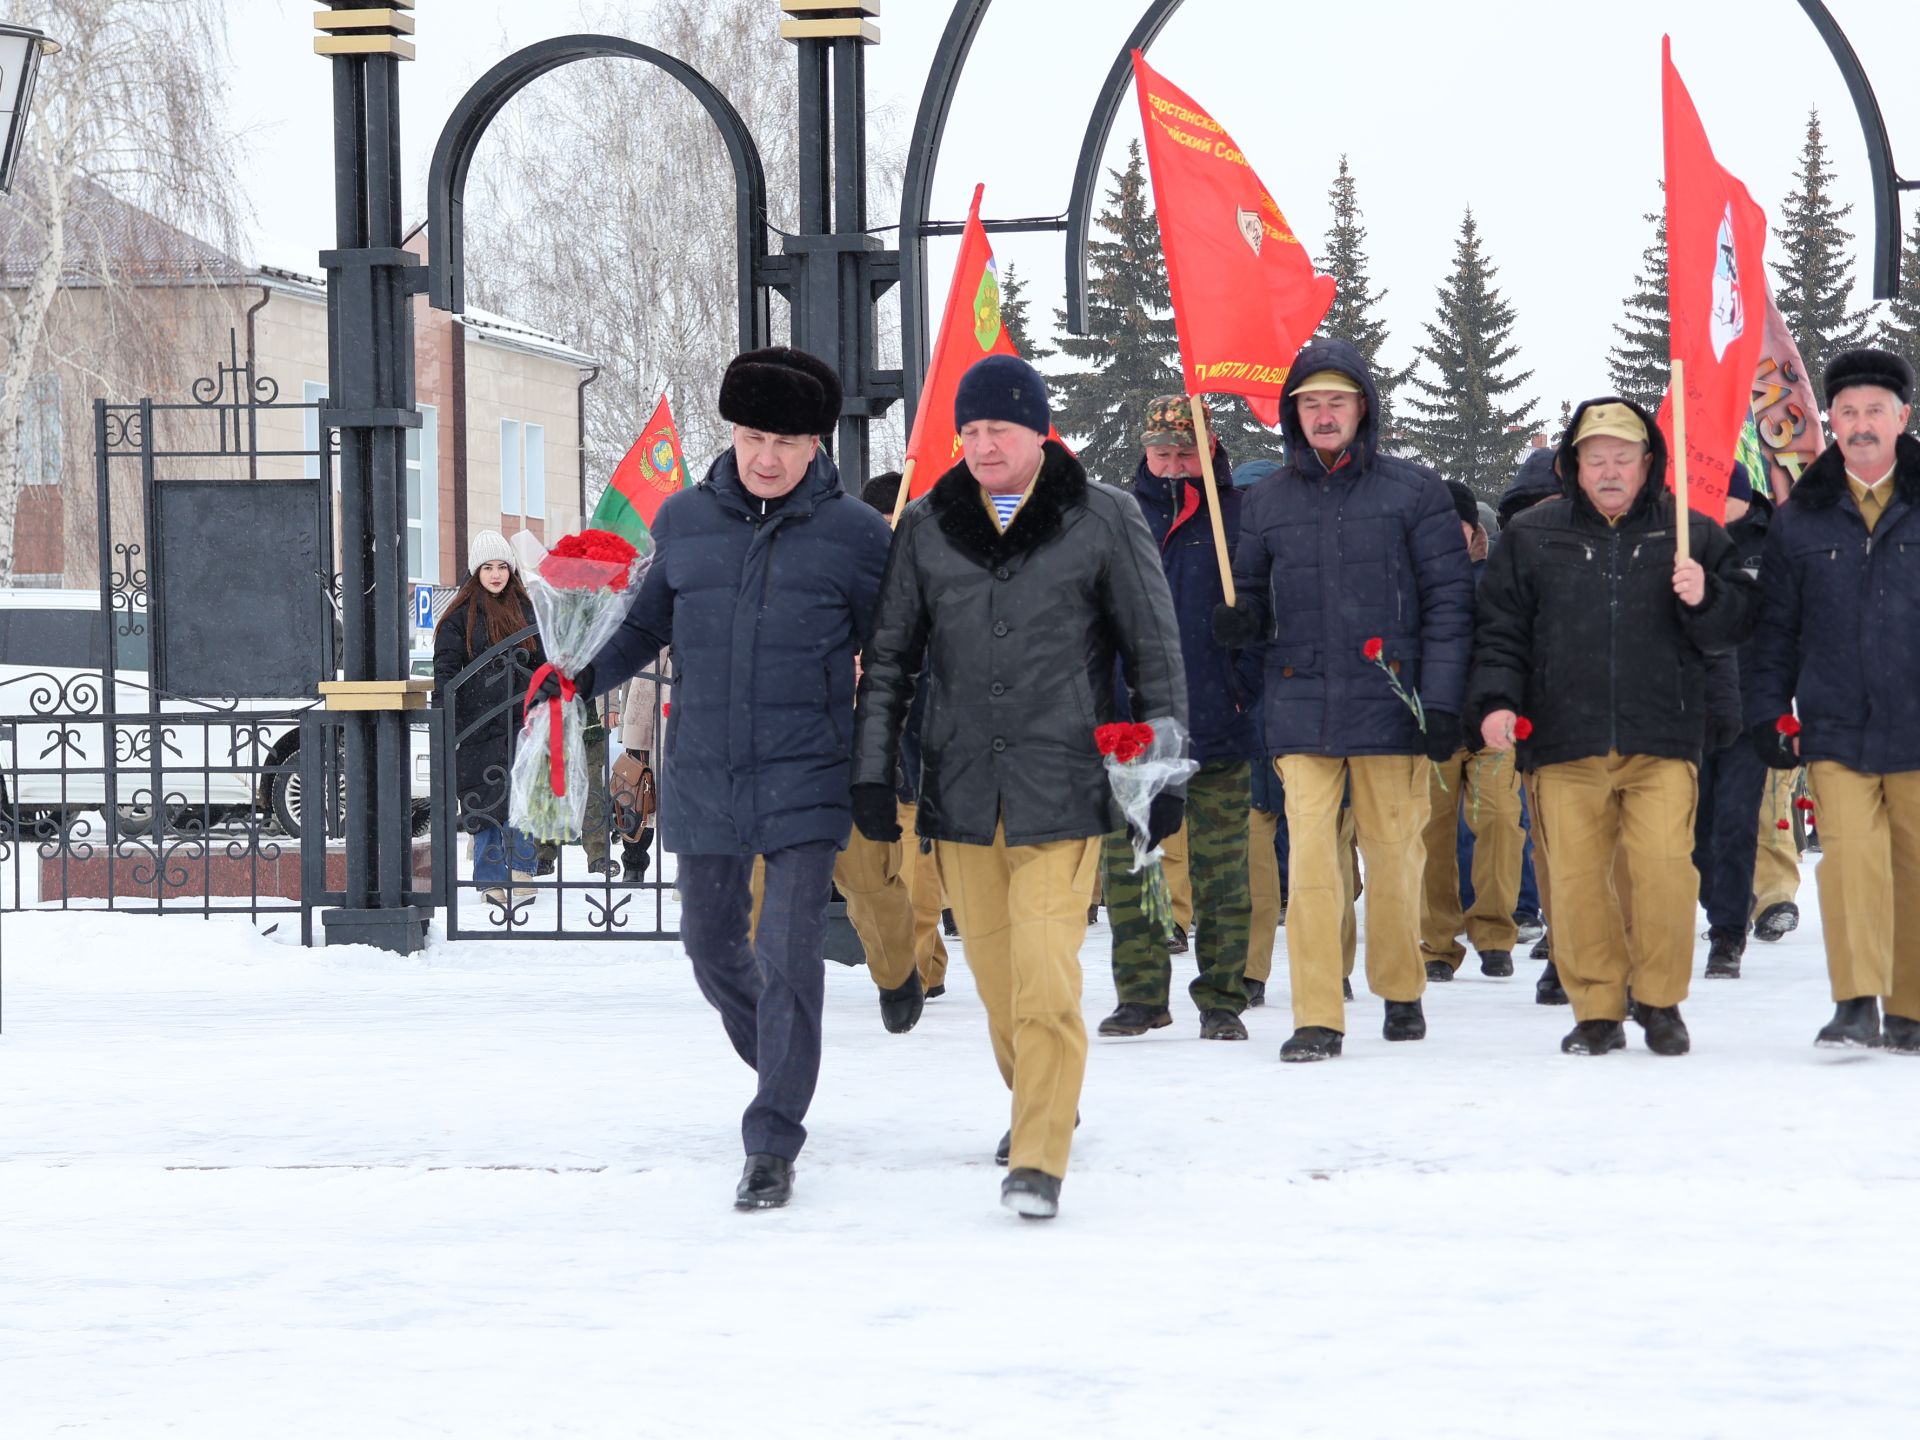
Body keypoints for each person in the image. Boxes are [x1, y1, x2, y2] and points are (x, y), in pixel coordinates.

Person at [545, 345, 892, 1210]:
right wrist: (576, 670)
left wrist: (888, 756)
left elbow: (893, 653)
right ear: (731, 433)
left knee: (786, 952)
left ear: (817, 446)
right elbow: (641, 627)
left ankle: (773, 1136)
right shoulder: (683, 523)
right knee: (709, 949)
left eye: (785, 439)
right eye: (750, 435)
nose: (765, 455)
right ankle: (783, 1058)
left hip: (808, 771)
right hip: (703, 769)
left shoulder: (856, 535)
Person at [852, 354, 1186, 1220]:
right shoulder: (927, 525)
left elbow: (1153, 652)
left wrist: (1163, 768)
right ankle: (1042, 1088)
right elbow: (889, 659)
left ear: (1039, 430)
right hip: (962, 795)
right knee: (1002, 989)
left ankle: (1039, 1154)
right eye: (969, 430)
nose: (982, 443)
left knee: (1045, 974)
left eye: (998, 427)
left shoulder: (1102, 517)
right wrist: (872, 768)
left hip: (1061, 788)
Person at [1213, 338, 1475, 1062]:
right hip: (1300, 705)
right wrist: (1238, 626)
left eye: (1336, 401)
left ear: (1363, 408)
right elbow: (1250, 599)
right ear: (1292, 415)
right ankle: (1317, 1014)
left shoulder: (1415, 492)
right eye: (1309, 403)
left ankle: (1400, 986)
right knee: (1313, 868)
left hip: (1393, 705)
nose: (1323, 415)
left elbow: (1450, 603)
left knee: (1393, 857)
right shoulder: (1263, 502)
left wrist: (1442, 701)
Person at [1471, 396, 1757, 1057]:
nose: (1608, 470)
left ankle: (1659, 1002)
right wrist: (1494, 701)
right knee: (1572, 882)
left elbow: (1739, 622)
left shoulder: (1690, 532)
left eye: (1622, 458)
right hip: (1561, 737)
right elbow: (1501, 631)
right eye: (1594, 458)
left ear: (1648, 461)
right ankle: (1596, 1009)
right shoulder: (1533, 534)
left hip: (1662, 735)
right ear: (1573, 464)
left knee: (1663, 874)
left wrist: (1706, 595)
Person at [1744, 347, 1920, 1052]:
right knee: (1848, 862)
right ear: (1832, 421)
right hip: (1835, 723)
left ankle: (1909, 1008)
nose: (1861, 423)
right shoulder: (1802, 518)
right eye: (1847, 412)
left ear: (1902, 418)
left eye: (1875, 410)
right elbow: (1775, 629)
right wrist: (1766, 710)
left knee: (1914, 868)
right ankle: (1855, 1002)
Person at [1096, 395, 1257, 1042]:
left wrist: (1246, 643)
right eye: (1161, 451)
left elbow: (1270, 606)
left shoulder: (1240, 520)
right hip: (1134, 721)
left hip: (1218, 713)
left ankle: (1222, 995)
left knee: (1223, 873)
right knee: (1133, 864)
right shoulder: (1115, 518)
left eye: (1184, 452)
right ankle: (1140, 994)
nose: (1171, 464)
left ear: (1211, 448)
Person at [1419, 479, 1525, 982]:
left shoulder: (1501, 575)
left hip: (1493, 729)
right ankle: (1438, 942)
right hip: (1432, 728)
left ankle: (1494, 931)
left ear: (1472, 527)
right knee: (1432, 837)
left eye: (1455, 524)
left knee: (1502, 822)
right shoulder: (1410, 579)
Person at [1691, 463, 1772, 979]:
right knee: (1696, 831)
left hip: (1751, 705)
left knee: (1736, 822)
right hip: (1693, 707)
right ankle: (1721, 897)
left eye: (1721, 493)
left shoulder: (1773, 541)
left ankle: (1727, 935)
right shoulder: (1687, 541)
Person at [433, 530, 540, 908]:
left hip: (523, 720)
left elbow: (544, 664)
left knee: (524, 794)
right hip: (478, 723)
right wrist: (447, 714)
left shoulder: (528, 611)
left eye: (502, 567)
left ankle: (523, 869)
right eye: (487, 567)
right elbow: (446, 670)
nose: (496, 574)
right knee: (483, 797)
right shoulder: (459, 617)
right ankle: (490, 875)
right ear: (475, 571)